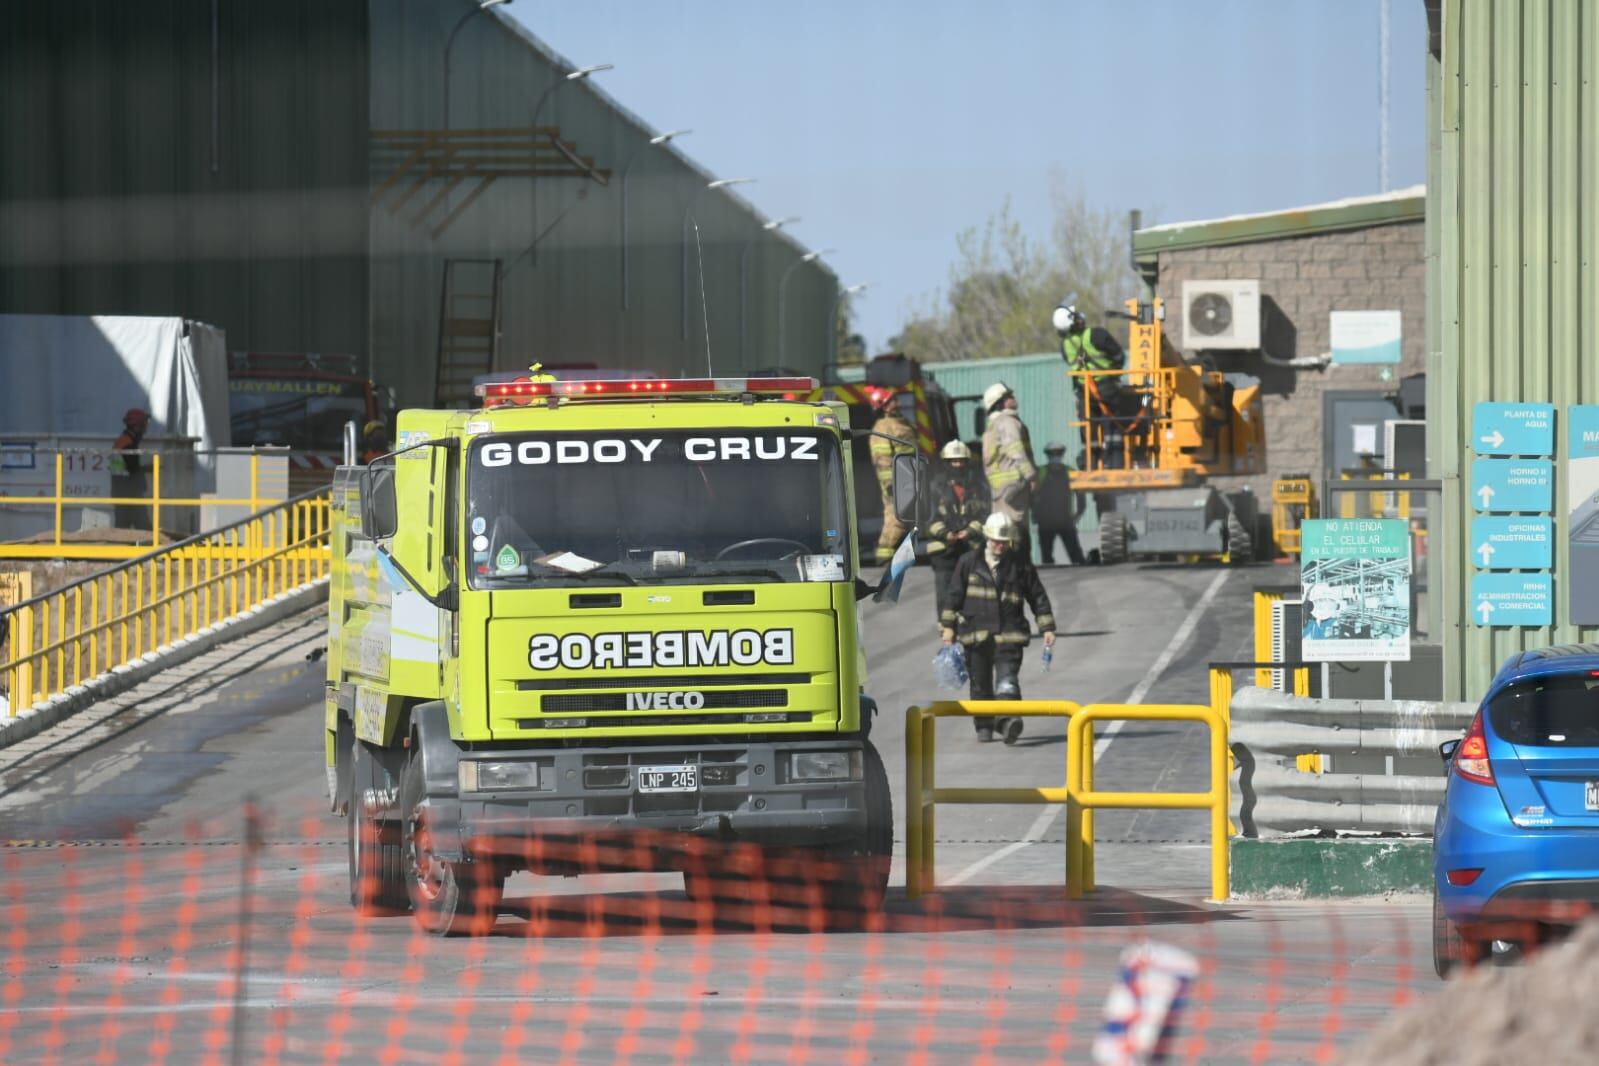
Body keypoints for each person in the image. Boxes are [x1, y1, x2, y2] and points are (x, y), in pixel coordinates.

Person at [941, 512, 1057, 745]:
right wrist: (948, 627)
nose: (1000, 546)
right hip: (976, 635)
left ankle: (1007, 721)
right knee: (980, 685)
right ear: (987, 538)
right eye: (996, 541)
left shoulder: (1021, 566)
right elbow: (953, 596)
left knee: (1007, 681)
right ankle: (984, 725)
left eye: (1004, 542)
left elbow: (1038, 596)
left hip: (1009, 635)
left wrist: (1047, 627)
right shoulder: (968, 563)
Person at [924, 440, 988, 626]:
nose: (958, 465)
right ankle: (947, 627)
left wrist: (969, 531)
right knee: (945, 591)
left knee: (972, 588)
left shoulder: (977, 487)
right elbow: (928, 519)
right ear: (946, 463)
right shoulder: (935, 487)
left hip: (970, 545)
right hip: (943, 550)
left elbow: (983, 515)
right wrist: (946, 534)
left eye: (961, 461)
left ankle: (971, 625)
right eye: (954, 461)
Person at [980, 382, 1036, 557]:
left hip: (999, 490)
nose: (1014, 398)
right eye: (1009, 396)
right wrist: (1031, 476)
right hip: (1014, 486)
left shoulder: (993, 426)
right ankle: (1019, 567)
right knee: (1016, 531)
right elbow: (1015, 450)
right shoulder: (1008, 422)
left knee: (1002, 529)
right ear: (1000, 402)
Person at [868, 391, 917, 564]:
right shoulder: (882, 427)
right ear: (883, 406)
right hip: (895, 480)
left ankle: (895, 555)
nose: (896, 403)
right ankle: (883, 556)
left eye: (895, 399)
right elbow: (882, 458)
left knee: (905, 516)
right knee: (896, 516)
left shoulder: (902, 422)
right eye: (891, 401)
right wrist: (890, 483)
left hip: (908, 477)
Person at [1034, 442, 1087, 566]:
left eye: (1058, 453)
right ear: (1047, 455)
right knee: (1046, 559)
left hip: (1065, 521)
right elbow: (1032, 495)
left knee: (1077, 558)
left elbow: (1080, 494)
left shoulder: (1070, 472)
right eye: (1052, 454)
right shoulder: (1040, 472)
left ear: (1062, 454)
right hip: (1046, 522)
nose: (1055, 456)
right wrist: (1035, 515)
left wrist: (1078, 513)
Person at [110, 407, 152, 530]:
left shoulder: (125, 440)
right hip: (128, 493)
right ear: (137, 425)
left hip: (122, 492)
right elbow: (132, 468)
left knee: (123, 527)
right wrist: (148, 468)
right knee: (143, 527)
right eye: (144, 424)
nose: (146, 428)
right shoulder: (128, 443)